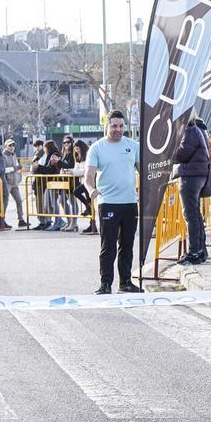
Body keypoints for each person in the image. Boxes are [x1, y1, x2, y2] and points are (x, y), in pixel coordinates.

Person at [84, 110, 143, 294]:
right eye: (114, 126)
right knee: (108, 246)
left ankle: (125, 282)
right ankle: (105, 284)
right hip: (108, 203)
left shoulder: (133, 146)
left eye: (121, 126)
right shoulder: (97, 148)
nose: (118, 129)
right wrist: (91, 189)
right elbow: (88, 176)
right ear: (107, 126)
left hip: (130, 203)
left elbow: (143, 172)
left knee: (127, 245)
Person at [172, 121, 211, 266]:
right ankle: (200, 251)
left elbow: (181, 155)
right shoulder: (198, 129)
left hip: (190, 176)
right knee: (195, 214)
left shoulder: (190, 131)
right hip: (197, 174)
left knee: (190, 215)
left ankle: (194, 252)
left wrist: (170, 149)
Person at [31, 140, 62, 230]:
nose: (38, 148)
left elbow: (50, 170)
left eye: (40, 146)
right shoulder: (37, 155)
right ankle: (45, 221)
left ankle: (56, 221)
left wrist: (38, 167)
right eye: (35, 146)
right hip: (41, 182)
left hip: (50, 182)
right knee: (44, 204)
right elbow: (33, 167)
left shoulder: (53, 155)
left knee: (51, 204)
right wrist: (36, 167)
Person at [69, 140, 97, 234]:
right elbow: (76, 169)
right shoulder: (77, 156)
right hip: (84, 181)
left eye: (78, 148)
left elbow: (86, 170)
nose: (76, 150)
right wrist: (69, 171)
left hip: (90, 181)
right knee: (88, 201)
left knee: (77, 192)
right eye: (75, 149)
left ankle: (92, 223)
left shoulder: (88, 155)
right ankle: (92, 223)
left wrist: (73, 172)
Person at [1, 139, 30, 228]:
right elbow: (3, 170)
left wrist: (19, 175)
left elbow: (17, 168)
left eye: (13, 145)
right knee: (5, 202)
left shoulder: (14, 155)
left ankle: (21, 220)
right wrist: (15, 168)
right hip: (7, 182)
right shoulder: (2, 156)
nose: (12, 147)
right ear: (6, 146)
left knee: (19, 201)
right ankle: (2, 221)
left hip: (14, 182)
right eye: (10, 145)